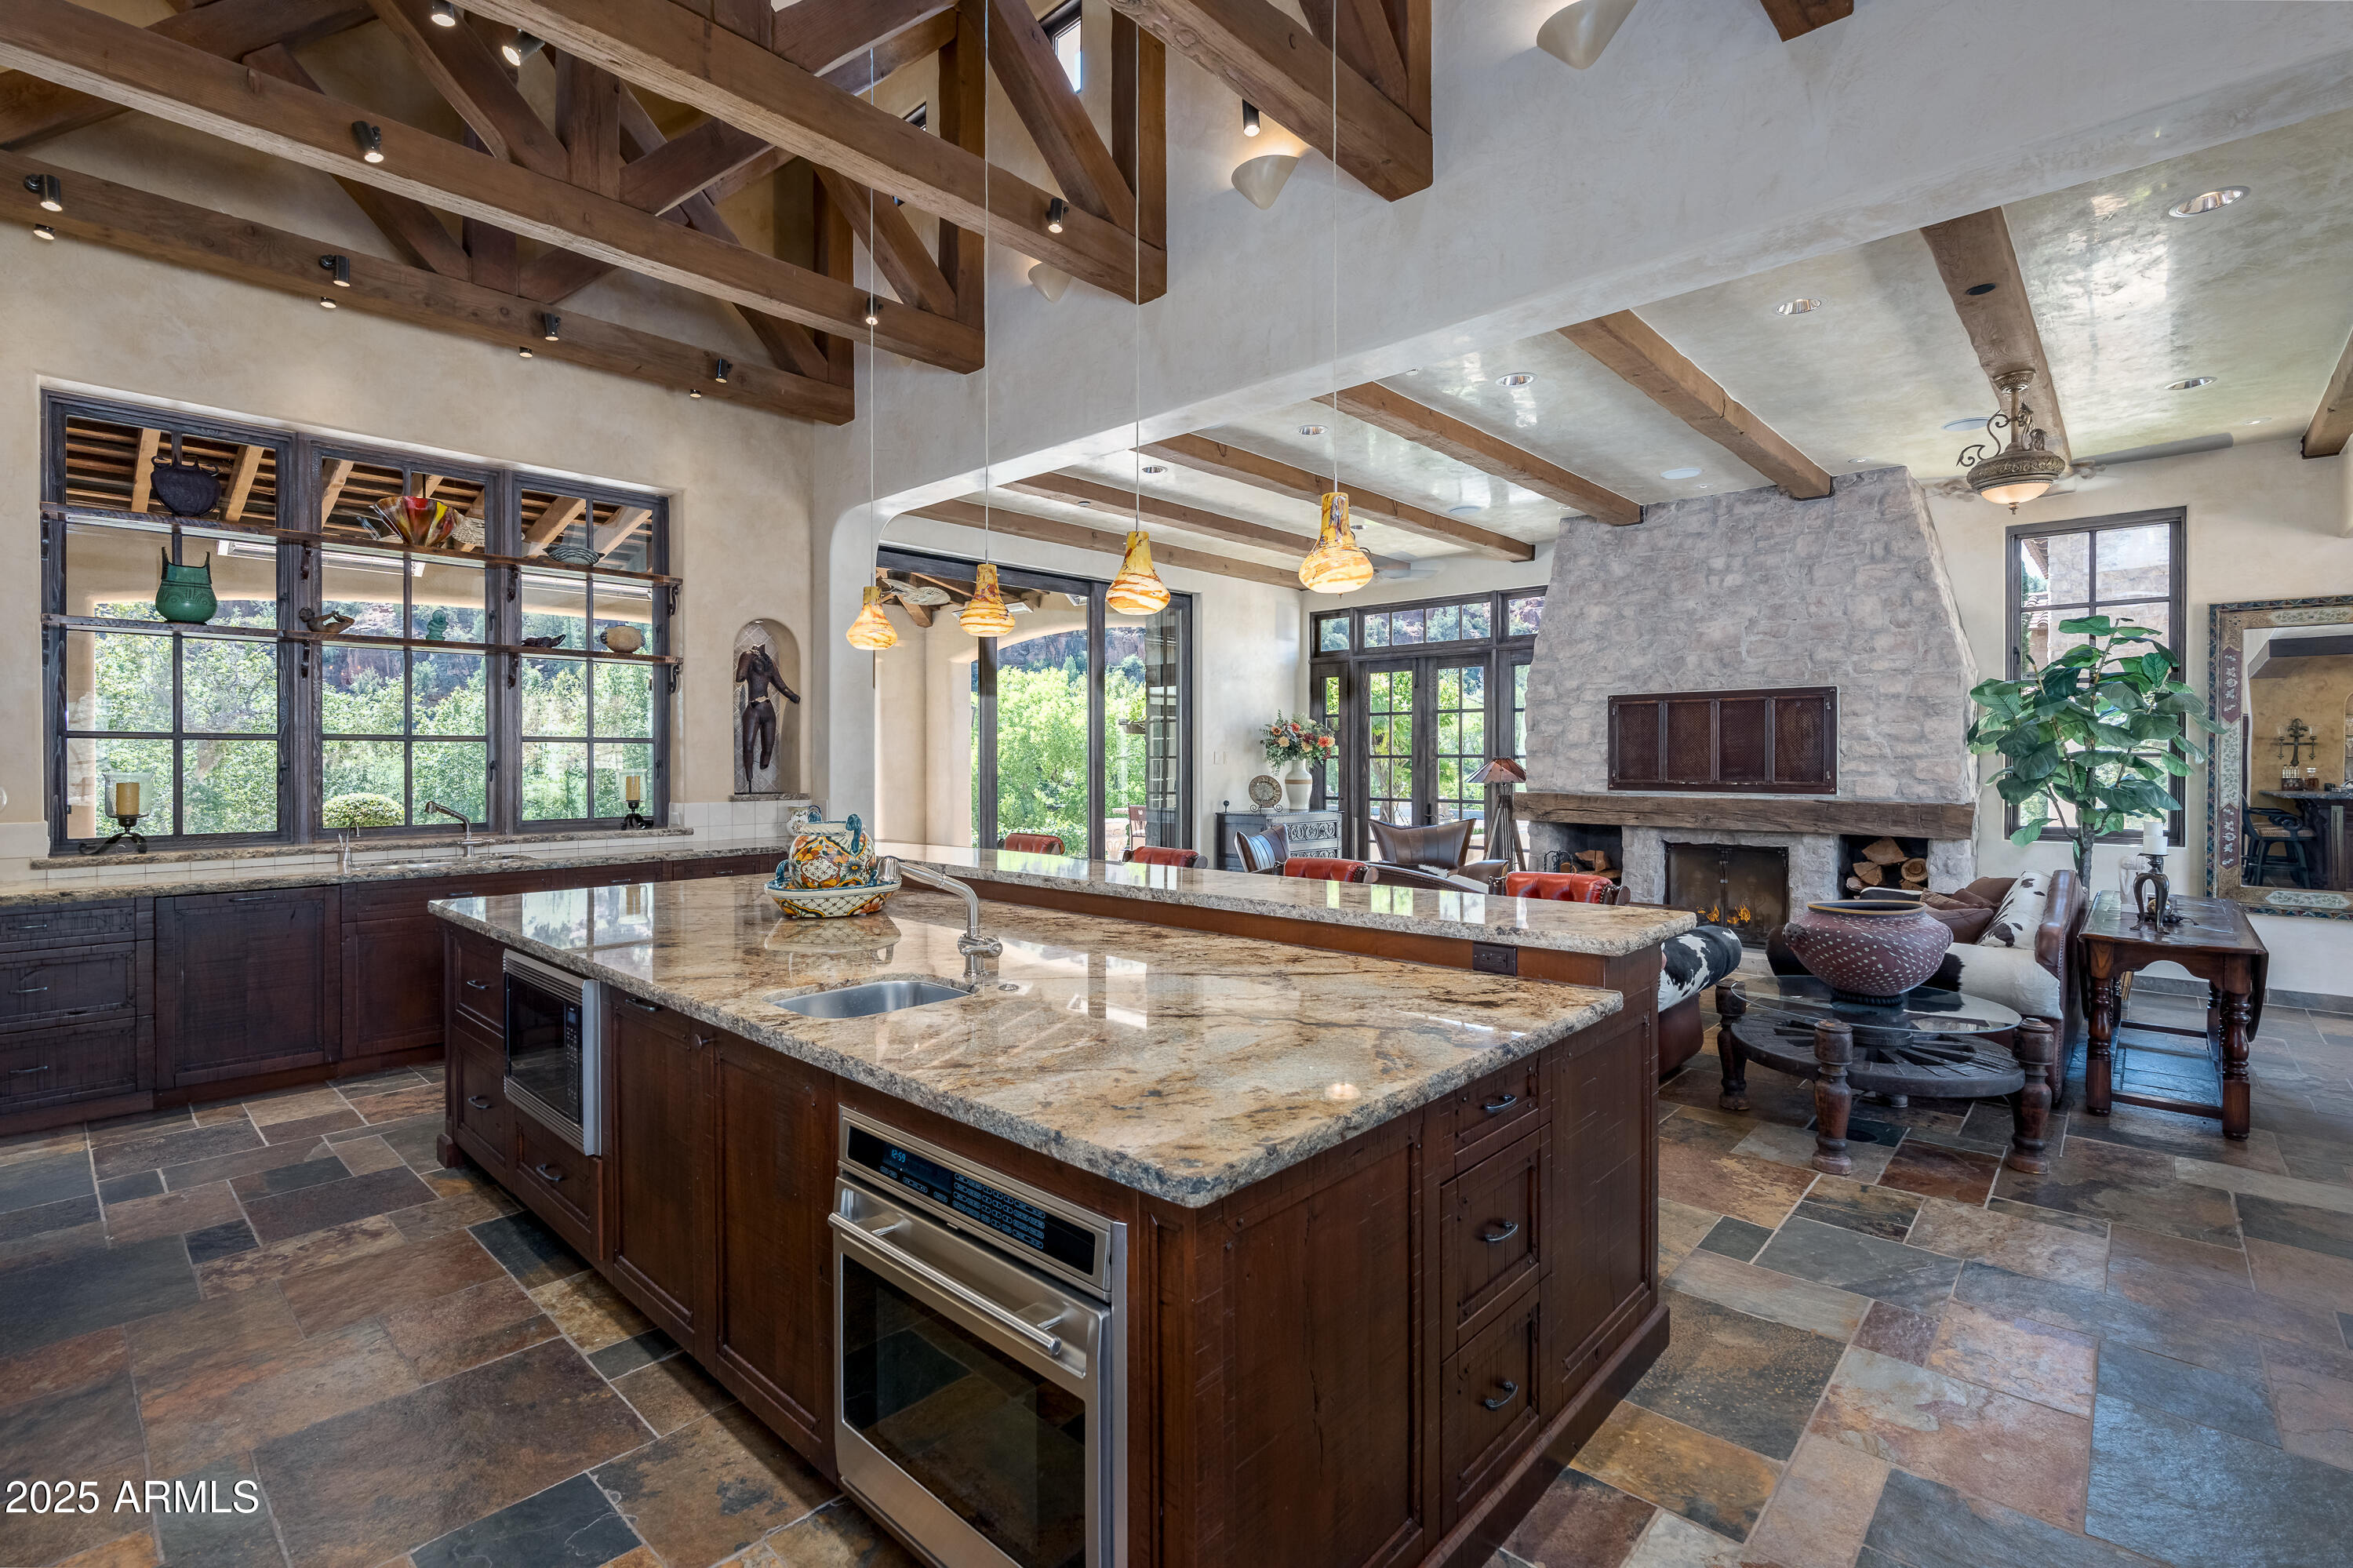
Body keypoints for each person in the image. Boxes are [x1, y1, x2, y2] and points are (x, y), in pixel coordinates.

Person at [733, 643, 798, 782]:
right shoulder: (748, 655)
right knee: (748, 746)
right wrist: (745, 663)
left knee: (768, 748)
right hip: (754, 709)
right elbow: (740, 677)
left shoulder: (770, 662)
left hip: (768, 710)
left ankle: (763, 764)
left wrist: (794, 697)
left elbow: (781, 686)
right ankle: (749, 777)